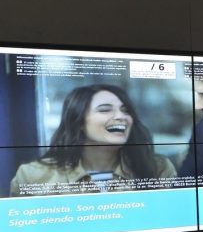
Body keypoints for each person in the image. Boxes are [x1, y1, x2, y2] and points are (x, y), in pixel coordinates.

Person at [10, 84, 176, 196]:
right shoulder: (33, 176)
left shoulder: (158, 169)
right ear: (79, 122)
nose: (121, 116)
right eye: (105, 110)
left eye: (125, 111)